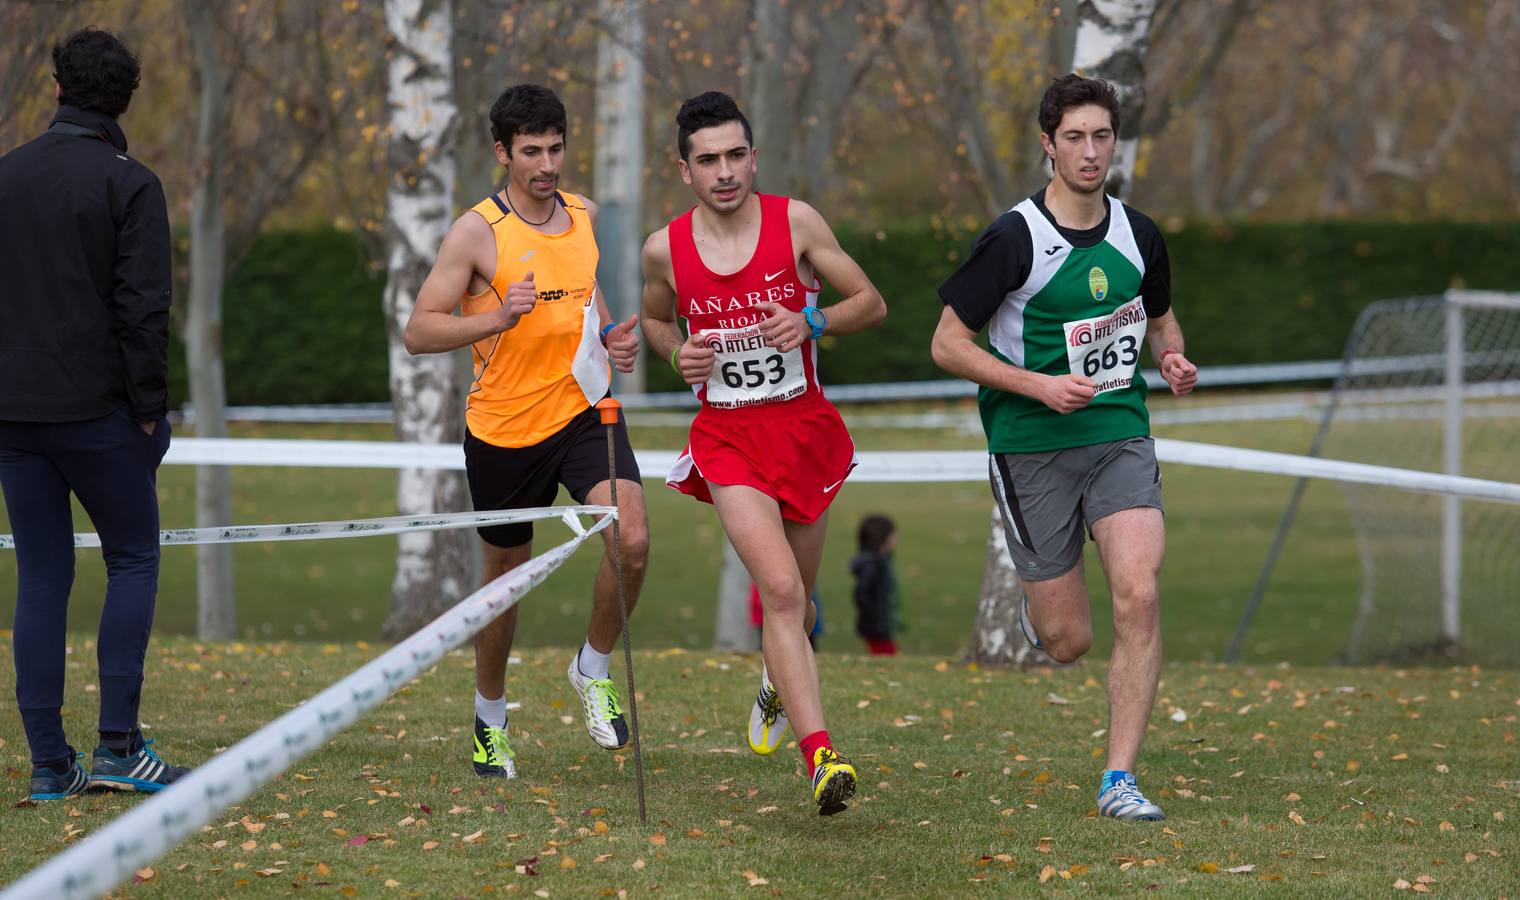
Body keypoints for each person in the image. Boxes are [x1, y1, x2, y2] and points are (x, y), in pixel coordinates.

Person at [932, 74, 1198, 822]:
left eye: (1102, 136)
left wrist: (1171, 358)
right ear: (1048, 144)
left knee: (1139, 595)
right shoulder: (1015, 238)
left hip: (1120, 433)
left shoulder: (1139, 233)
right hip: (1031, 445)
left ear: (1116, 143)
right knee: (1069, 639)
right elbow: (947, 345)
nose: (1090, 152)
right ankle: (1035, 616)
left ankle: (1120, 779)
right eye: (1074, 138)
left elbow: (1162, 315)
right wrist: (1036, 385)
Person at [640, 91, 887, 815]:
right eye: (707, 159)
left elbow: (869, 302)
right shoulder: (666, 248)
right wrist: (675, 351)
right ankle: (823, 759)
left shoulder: (796, 222)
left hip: (804, 431)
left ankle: (780, 680)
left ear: (754, 157)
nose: (725, 172)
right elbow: (654, 321)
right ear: (685, 169)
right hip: (728, 440)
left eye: (735, 155)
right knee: (779, 592)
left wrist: (813, 318)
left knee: (799, 604)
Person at [403, 84, 648, 779]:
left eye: (556, 147)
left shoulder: (584, 214)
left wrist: (610, 335)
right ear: (502, 153)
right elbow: (419, 330)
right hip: (504, 432)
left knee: (631, 539)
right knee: (504, 582)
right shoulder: (477, 231)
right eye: (531, 151)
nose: (547, 164)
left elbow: (587, 289)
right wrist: (493, 319)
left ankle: (591, 668)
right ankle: (489, 717)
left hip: (582, 411)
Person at [0, 28, 190, 801]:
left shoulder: (5, 175)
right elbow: (144, 313)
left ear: (55, 90)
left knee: (42, 575)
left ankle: (51, 763)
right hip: (101, 414)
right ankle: (117, 748)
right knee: (133, 560)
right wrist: (151, 413)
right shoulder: (131, 183)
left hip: (12, 416)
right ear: (127, 99)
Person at [849, 515, 901, 655]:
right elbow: (862, 594)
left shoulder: (883, 563)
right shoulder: (872, 566)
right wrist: (875, 619)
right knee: (887, 653)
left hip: (881, 624)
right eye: (893, 535)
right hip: (876, 626)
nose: (896, 539)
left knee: (889, 651)